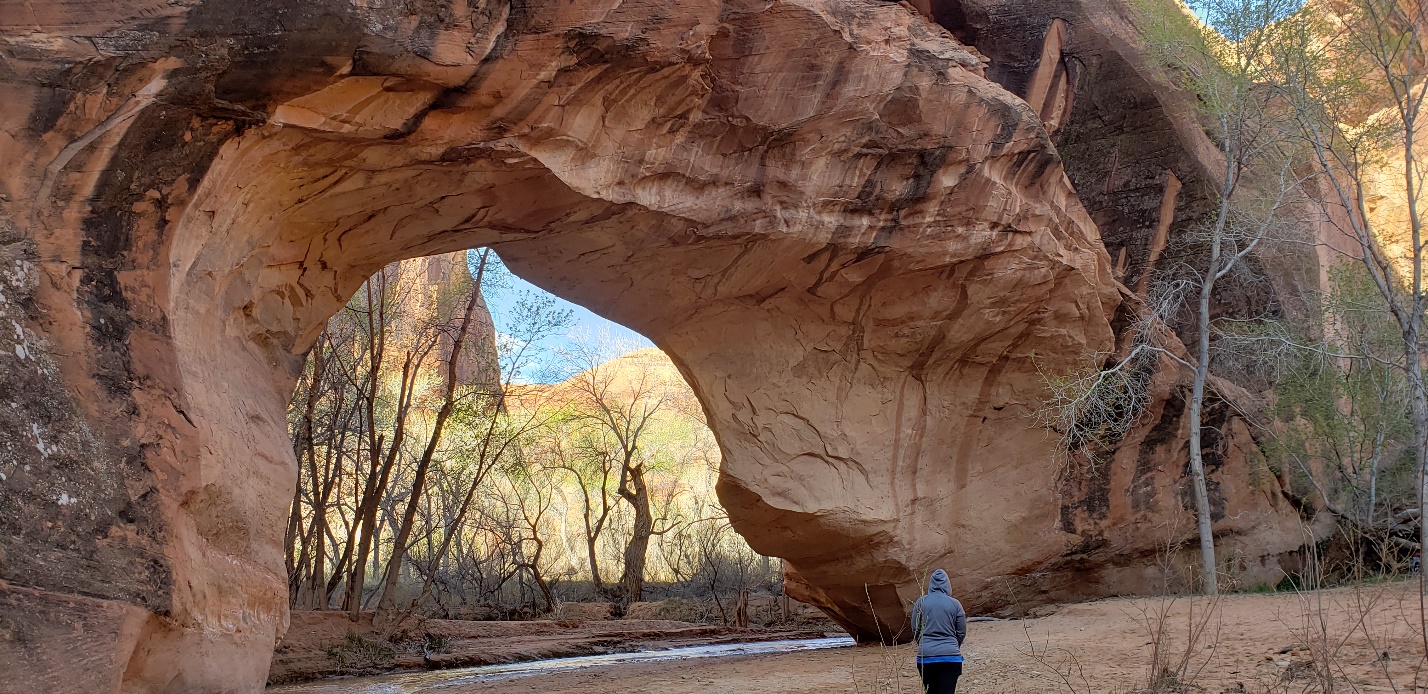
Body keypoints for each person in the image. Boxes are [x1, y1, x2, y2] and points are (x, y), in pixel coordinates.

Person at [911, 568, 966, 694]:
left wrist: (924, 643)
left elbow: (915, 629)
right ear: (948, 585)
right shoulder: (955, 604)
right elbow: (961, 631)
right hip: (950, 656)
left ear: (930, 585)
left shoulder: (921, 602)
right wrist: (953, 645)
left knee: (931, 691)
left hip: (926, 656)